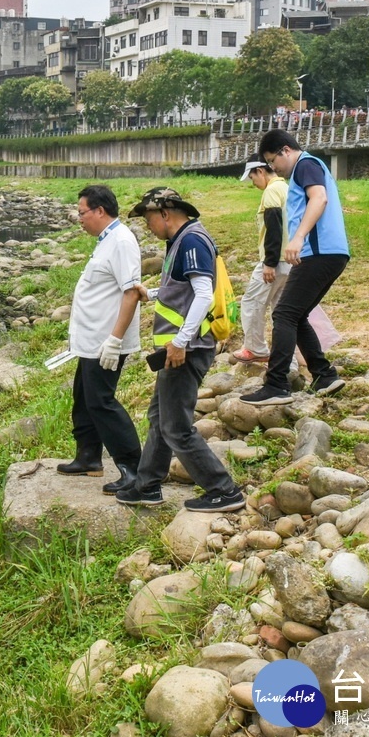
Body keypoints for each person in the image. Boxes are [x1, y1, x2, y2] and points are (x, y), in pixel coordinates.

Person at [115, 187, 245, 512]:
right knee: (160, 417)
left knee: (175, 426)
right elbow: (186, 289)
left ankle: (223, 490)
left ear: (165, 213)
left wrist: (179, 342)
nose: (149, 227)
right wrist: (155, 293)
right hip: (182, 346)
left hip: (187, 348)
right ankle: (147, 485)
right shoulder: (182, 240)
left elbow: (203, 294)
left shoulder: (191, 240)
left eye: (149, 220)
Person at [240, 130, 350, 406]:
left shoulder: (306, 165)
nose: (273, 167)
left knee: (283, 314)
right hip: (330, 253)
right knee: (297, 314)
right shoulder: (306, 168)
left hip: (319, 252)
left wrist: (299, 237)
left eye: (272, 160)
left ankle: (276, 384)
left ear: (285, 150)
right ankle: (324, 375)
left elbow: (319, 198)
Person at [56, 184, 143, 494]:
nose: (79, 219)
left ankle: (133, 468)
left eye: (82, 213)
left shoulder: (121, 241)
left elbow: (132, 292)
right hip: (92, 341)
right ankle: (88, 456)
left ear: (100, 211)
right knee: (84, 397)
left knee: (102, 402)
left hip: (106, 342)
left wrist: (115, 341)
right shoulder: (106, 240)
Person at [233, 156, 290, 363]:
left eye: (252, 177)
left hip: (276, 260)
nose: (253, 183)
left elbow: (274, 228)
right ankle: (286, 358)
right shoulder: (286, 188)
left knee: (252, 302)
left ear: (260, 171)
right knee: (280, 309)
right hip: (290, 260)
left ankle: (255, 348)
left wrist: (269, 263)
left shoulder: (271, 191)